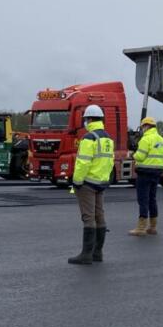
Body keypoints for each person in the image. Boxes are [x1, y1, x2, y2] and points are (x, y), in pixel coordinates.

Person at [68, 105, 114, 265]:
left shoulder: (89, 138)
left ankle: (86, 255)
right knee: (99, 216)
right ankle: (97, 253)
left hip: (87, 183)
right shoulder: (108, 138)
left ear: (89, 119)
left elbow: (83, 163)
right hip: (101, 183)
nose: (85, 122)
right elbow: (109, 162)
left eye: (86, 119)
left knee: (88, 218)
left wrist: (76, 182)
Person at [130, 117, 163, 236]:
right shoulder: (162, 140)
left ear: (146, 126)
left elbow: (140, 156)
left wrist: (133, 155)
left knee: (143, 200)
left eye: (142, 127)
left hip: (144, 173)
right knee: (152, 199)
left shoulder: (145, 139)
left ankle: (141, 228)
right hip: (156, 173)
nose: (142, 129)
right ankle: (152, 227)